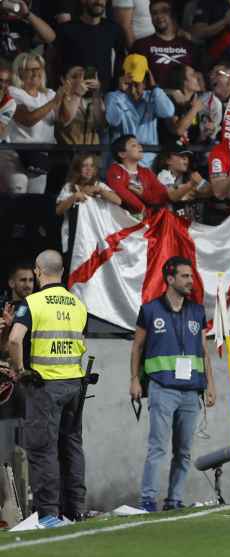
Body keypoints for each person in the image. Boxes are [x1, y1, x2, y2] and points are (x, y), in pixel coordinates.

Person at [6, 251, 88, 525]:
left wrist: (19, 371)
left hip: (44, 386)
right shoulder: (78, 304)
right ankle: (75, 510)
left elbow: (15, 340)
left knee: (43, 450)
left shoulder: (31, 303)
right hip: (74, 385)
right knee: (72, 447)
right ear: (62, 271)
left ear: (39, 271)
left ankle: (49, 514)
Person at [129, 256, 215, 512]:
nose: (191, 281)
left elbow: (204, 351)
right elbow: (137, 347)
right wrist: (134, 380)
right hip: (161, 388)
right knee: (158, 447)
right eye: (185, 276)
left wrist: (210, 384)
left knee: (184, 452)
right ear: (170, 279)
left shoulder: (197, 311)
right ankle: (148, 500)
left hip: (191, 392)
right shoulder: (149, 310)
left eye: (191, 276)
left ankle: (174, 500)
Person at [8, 52, 67, 196]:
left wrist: (72, 95)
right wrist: (54, 102)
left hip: (41, 157)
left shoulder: (49, 94)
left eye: (39, 68)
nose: (36, 73)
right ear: (20, 73)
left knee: (36, 200)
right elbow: (28, 120)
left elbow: (63, 121)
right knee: (18, 195)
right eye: (31, 69)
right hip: (17, 156)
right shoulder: (13, 92)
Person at [105, 54, 175, 167]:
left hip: (149, 163)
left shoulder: (153, 96)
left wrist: (155, 88)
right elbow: (113, 121)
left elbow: (168, 112)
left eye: (137, 84)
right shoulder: (114, 96)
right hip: (122, 163)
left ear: (145, 82)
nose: (132, 90)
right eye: (129, 84)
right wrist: (119, 92)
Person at [52, 0, 127, 93]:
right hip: (72, 95)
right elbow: (55, 67)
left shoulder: (114, 30)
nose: (99, 1)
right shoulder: (66, 30)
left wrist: (103, 87)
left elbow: (120, 66)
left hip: (105, 97)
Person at [55, 153, 122, 252]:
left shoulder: (99, 185)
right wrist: (74, 197)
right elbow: (58, 211)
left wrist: (100, 191)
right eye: (84, 165)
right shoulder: (69, 187)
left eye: (92, 165)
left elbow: (118, 201)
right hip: (76, 234)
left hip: (98, 232)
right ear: (77, 168)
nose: (89, 169)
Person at [130, 0, 194, 88]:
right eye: (154, 13)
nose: (159, 16)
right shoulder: (141, 45)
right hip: (154, 97)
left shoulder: (188, 45)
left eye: (164, 11)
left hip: (186, 96)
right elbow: (136, 81)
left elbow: (198, 77)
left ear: (172, 15)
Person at [106, 134, 171, 213]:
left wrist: (143, 194)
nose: (140, 146)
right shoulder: (114, 171)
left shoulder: (146, 172)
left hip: (147, 217)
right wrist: (142, 208)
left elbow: (161, 194)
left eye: (139, 144)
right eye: (134, 145)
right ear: (122, 154)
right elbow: (123, 194)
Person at [55, 65, 105, 145]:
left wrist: (96, 94)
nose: (79, 81)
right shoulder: (57, 99)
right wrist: (77, 95)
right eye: (74, 77)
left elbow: (101, 123)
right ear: (63, 80)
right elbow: (64, 121)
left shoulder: (90, 101)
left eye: (82, 77)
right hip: (70, 154)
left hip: (93, 154)